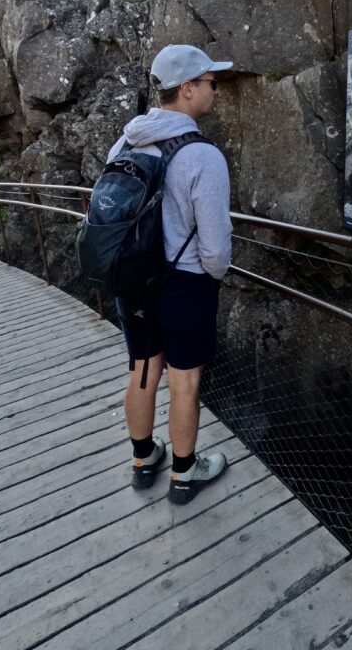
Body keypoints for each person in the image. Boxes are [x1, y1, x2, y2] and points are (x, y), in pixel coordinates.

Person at [106, 43, 233, 505]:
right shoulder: (203, 156)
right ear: (187, 88)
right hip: (184, 283)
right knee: (185, 381)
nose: (215, 90)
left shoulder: (125, 142)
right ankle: (183, 474)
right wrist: (213, 276)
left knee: (142, 370)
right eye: (210, 82)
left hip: (132, 279)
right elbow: (216, 248)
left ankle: (143, 461)